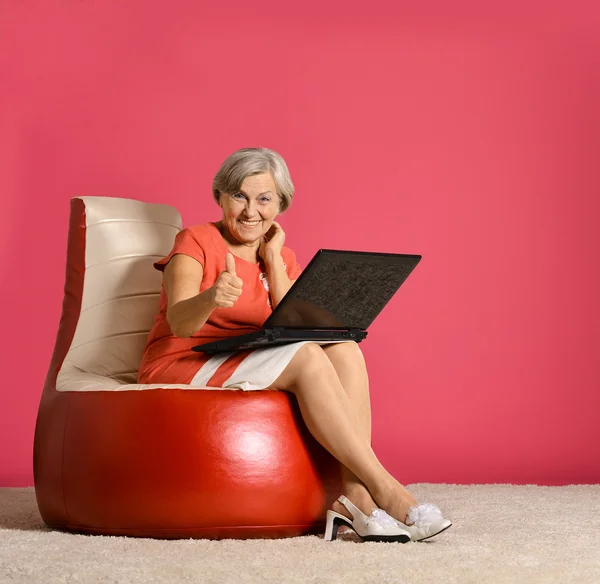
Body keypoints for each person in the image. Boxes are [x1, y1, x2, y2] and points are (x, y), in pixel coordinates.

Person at [138, 147, 452, 543]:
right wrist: (211, 297)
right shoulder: (196, 241)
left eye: (264, 199)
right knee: (305, 358)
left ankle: (353, 497)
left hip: (241, 354)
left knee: (345, 350)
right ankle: (387, 489)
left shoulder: (281, 256)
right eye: (239, 196)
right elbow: (180, 323)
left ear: (281, 204)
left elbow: (294, 327)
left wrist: (271, 259)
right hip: (184, 358)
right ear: (220, 197)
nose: (251, 211)